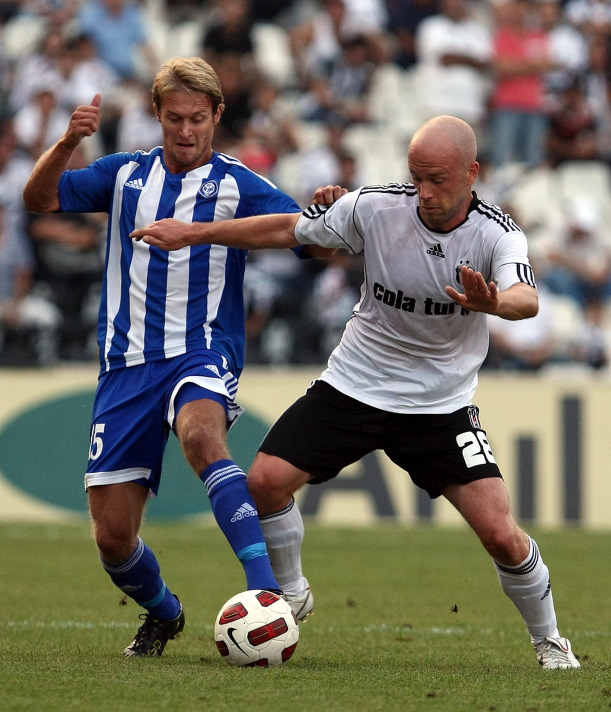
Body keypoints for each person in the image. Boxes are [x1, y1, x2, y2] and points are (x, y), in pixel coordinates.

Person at [131, 115, 581, 670]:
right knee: (265, 483)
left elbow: (525, 299)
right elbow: (287, 230)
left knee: (502, 536)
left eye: (439, 179)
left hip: (439, 406)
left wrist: (494, 303)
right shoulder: (375, 206)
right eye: (417, 177)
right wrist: (192, 232)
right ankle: (293, 591)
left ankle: (549, 639)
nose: (425, 192)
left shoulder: (496, 232)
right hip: (354, 385)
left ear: (472, 173)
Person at [22, 56, 322, 658]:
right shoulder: (124, 173)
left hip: (203, 351)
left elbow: (303, 233)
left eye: (198, 120)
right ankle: (165, 613)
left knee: (201, 438)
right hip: (127, 366)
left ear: (217, 116)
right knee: (113, 540)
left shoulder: (238, 183)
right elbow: (39, 199)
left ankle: (268, 597)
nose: (186, 132)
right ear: (157, 116)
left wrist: (322, 209)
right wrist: (67, 141)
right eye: (174, 119)